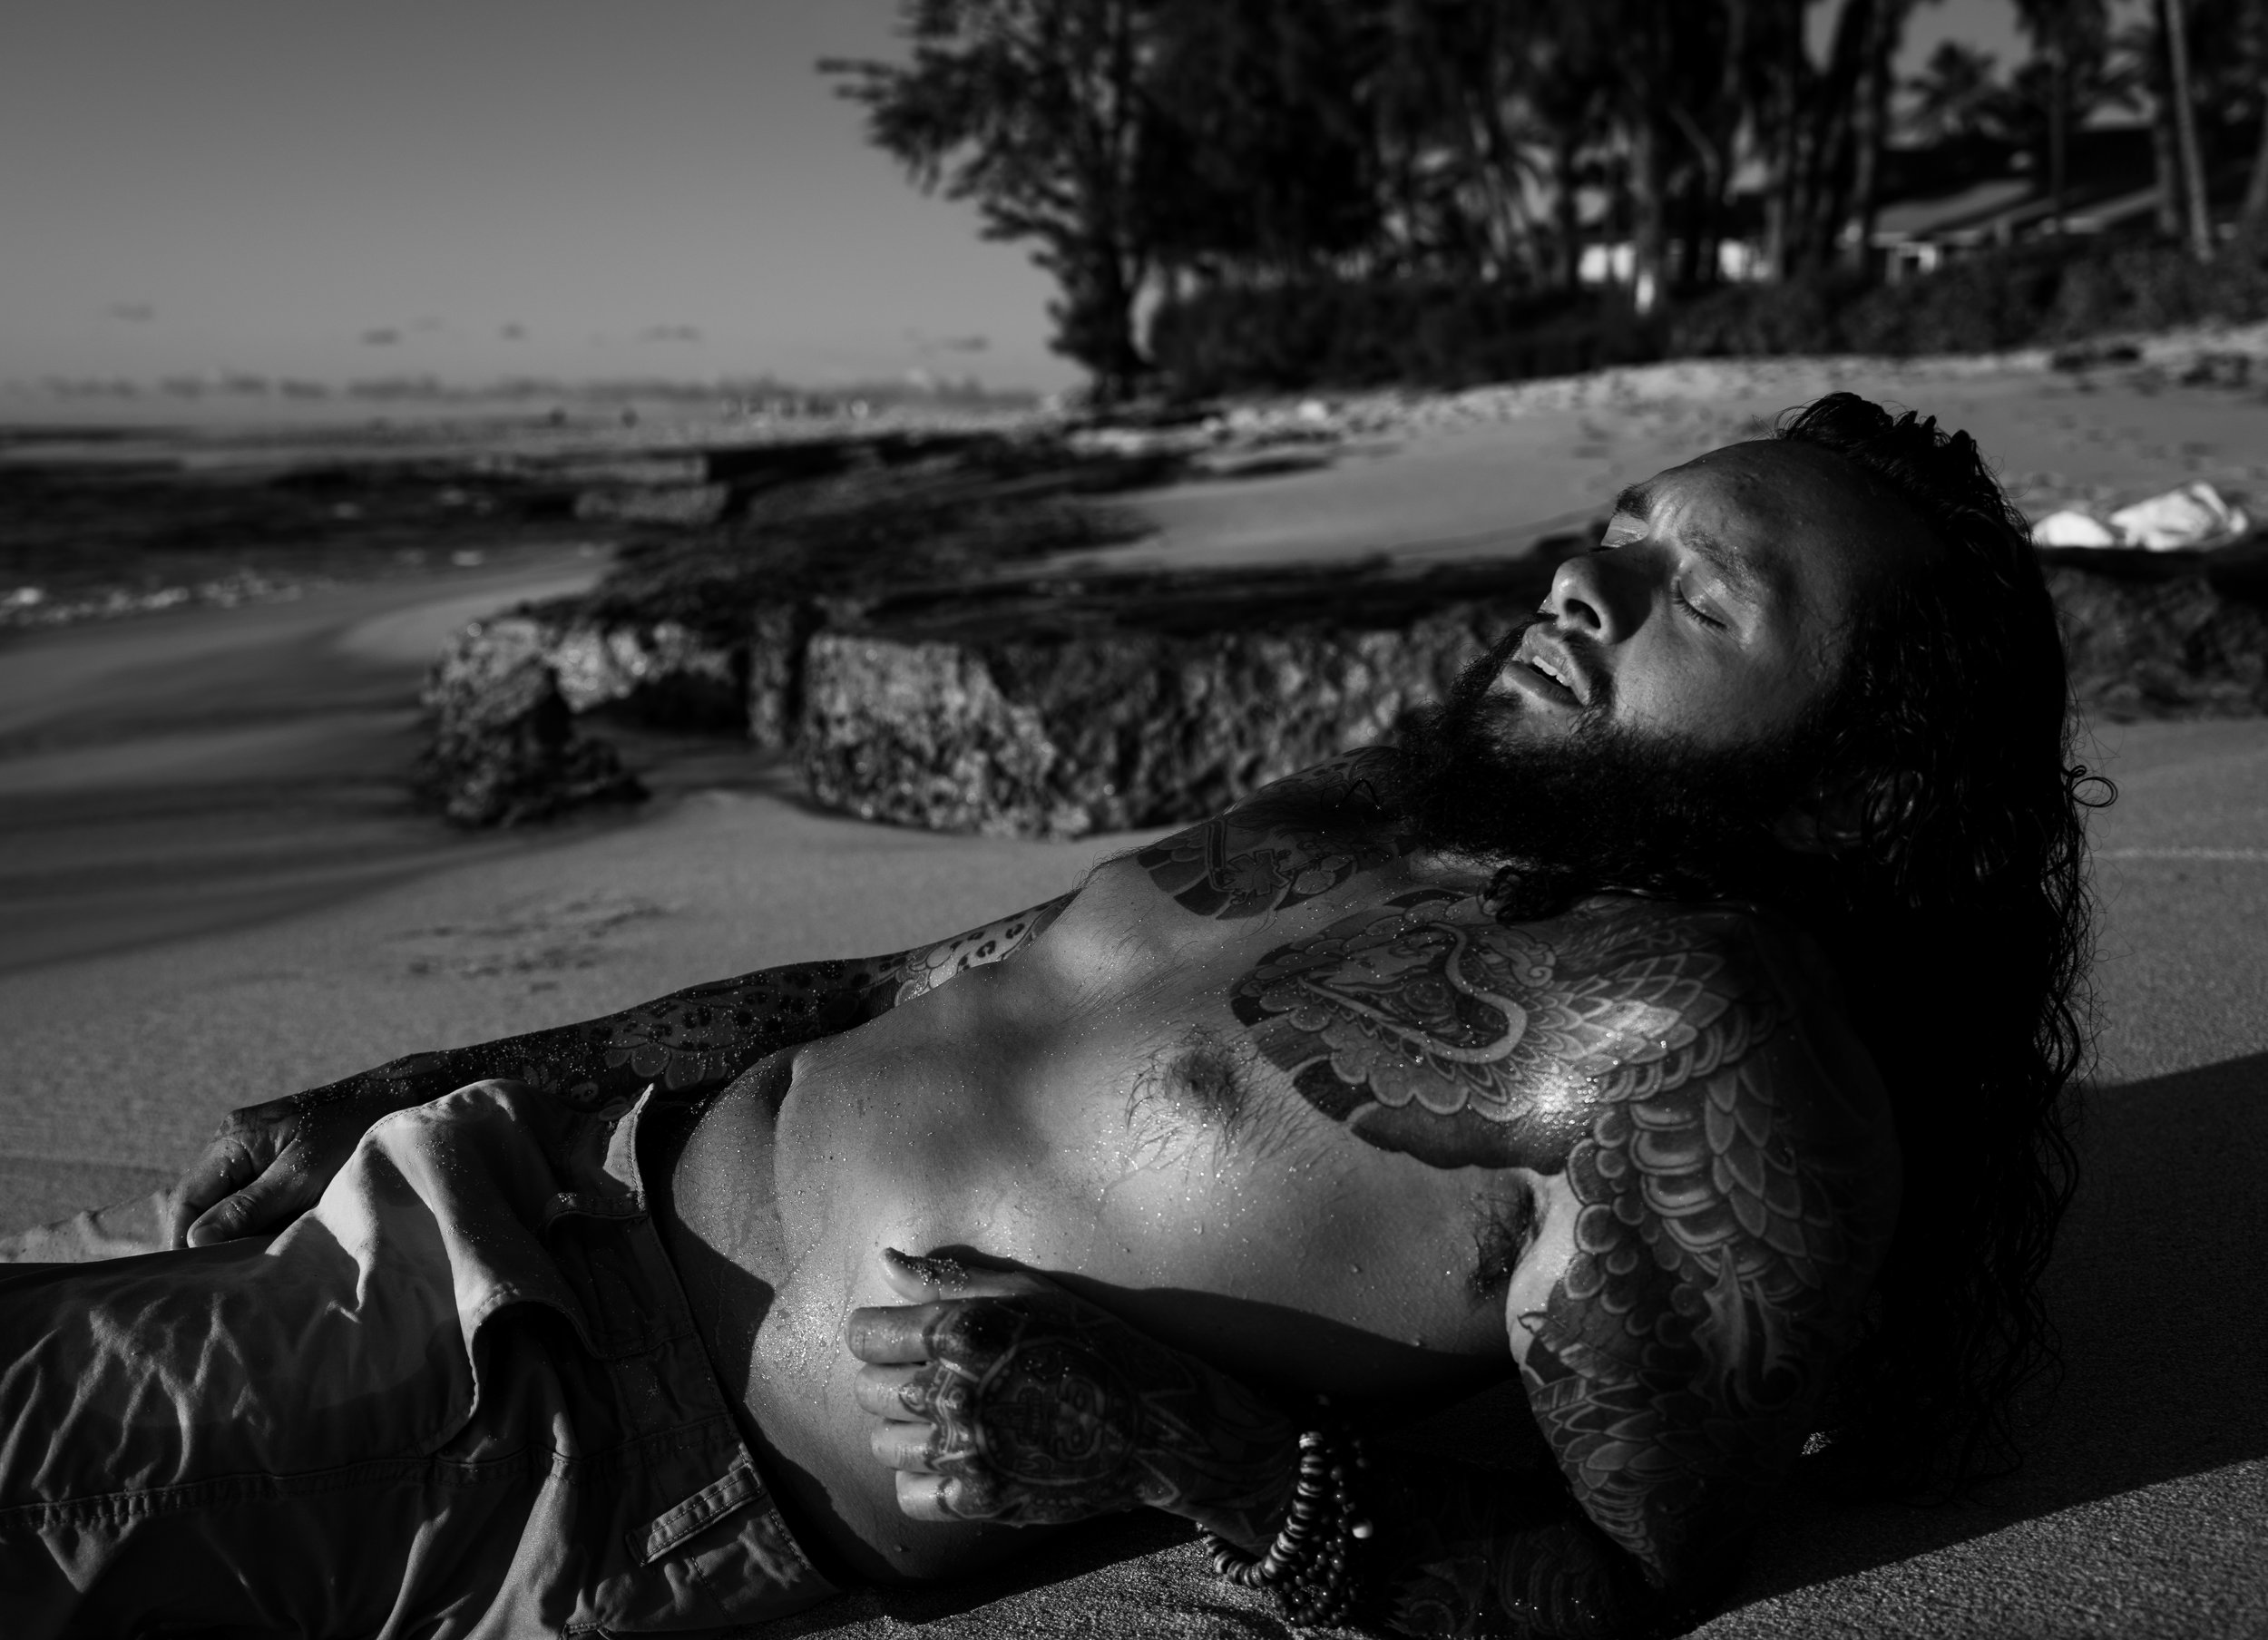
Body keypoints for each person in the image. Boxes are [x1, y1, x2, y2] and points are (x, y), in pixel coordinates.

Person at [0, 394, 2099, 1639]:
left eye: (1694, 597)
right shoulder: (1381, 812)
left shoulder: (1696, 1043)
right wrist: (417, 1080)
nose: (1584, 586)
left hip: (560, 1418)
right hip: (503, 1184)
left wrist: (1194, 1449)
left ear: (1855, 767)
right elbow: (885, 986)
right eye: (1616, 531)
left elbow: (1619, 1586)